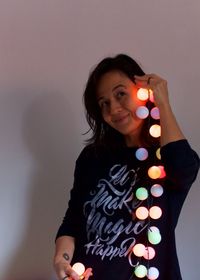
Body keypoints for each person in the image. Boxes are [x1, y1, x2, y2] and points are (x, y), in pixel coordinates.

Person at [53, 54, 199, 280]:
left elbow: (185, 168)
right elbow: (73, 221)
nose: (114, 109)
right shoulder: (93, 157)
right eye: (104, 103)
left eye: (121, 94)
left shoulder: (165, 157)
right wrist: (61, 260)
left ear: (143, 93)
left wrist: (162, 102)